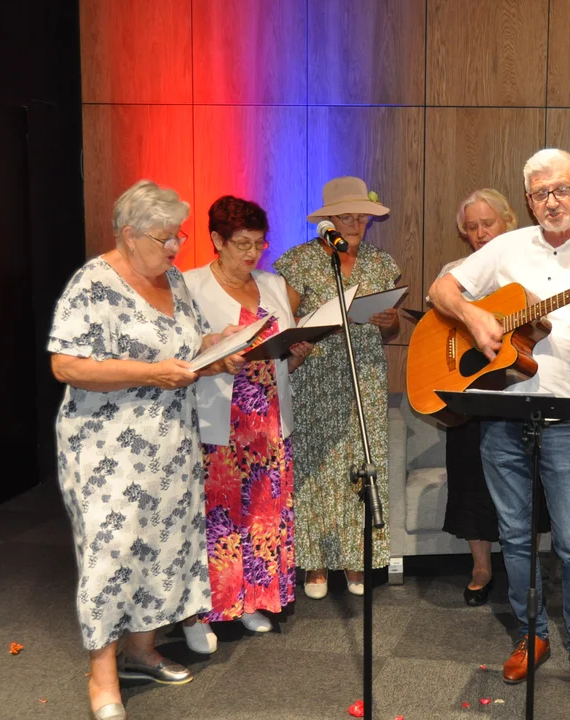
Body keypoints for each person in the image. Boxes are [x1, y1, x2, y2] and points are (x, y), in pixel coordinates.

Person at [429, 148, 570, 692]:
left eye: (562, 190)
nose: (552, 202)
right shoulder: (505, 247)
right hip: (502, 409)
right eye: (541, 194)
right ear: (528, 201)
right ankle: (532, 634)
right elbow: (440, 291)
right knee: (515, 537)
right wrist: (473, 316)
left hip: (565, 416)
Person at [49, 180, 245, 720]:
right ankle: (103, 675)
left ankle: (141, 650)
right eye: (165, 238)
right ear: (130, 235)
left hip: (172, 441)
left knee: (164, 546)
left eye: (177, 236)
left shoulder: (174, 279)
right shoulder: (94, 284)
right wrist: (149, 373)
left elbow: (190, 343)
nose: (176, 247)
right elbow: (66, 365)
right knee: (110, 554)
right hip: (107, 449)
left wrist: (219, 352)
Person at [181, 196, 315, 654]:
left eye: (259, 243)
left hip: (267, 420)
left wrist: (295, 354)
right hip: (218, 418)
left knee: (262, 515)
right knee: (214, 519)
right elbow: (180, 358)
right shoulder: (189, 286)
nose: (252, 253)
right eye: (241, 244)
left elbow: (282, 364)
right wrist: (218, 359)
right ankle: (200, 614)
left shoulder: (273, 284)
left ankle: (252, 600)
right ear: (216, 240)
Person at [274, 176, 400, 599]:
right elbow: (281, 318)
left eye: (361, 217)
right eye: (345, 216)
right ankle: (314, 564)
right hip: (315, 377)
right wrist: (298, 338)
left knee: (359, 468)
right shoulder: (300, 261)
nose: (354, 224)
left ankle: (354, 561)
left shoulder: (381, 263)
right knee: (314, 469)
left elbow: (390, 323)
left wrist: (389, 321)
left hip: (363, 377)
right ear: (327, 220)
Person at [436, 189, 550, 607]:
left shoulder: (529, 268)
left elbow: (545, 326)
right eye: (471, 227)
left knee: (529, 476)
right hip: (471, 390)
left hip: (520, 388)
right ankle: (481, 567)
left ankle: (530, 568)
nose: (481, 233)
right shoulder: (454, 272)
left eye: (488, 223)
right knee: (470, 478)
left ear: (507, 222)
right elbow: (442, 326)